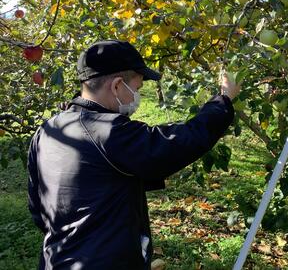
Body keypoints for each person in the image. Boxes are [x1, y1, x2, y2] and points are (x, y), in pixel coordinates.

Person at [27, 40, 241, 269]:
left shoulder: (48, 130)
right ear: (117, 85)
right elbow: (178, 142)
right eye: (137, 89)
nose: (136, 98)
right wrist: (224, 100)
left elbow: (38, 209)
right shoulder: (109, 132)